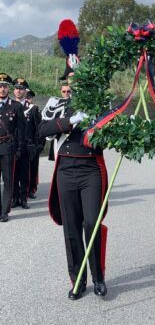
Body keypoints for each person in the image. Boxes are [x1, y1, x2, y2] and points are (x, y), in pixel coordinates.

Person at [39, 83, 108, 300]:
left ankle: (98, 278)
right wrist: (70, 121)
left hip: (91, 169)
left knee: (91, 223)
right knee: (71, 227)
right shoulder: (56, 104)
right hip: (66, 169)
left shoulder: (99, 103)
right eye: (69, 80)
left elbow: (108, 139)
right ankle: (78, 280)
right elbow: (43, 130)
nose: (72, 86)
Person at [0, 73, 25, 222]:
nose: (2, 89)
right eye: (0, 86)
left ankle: (4, 212)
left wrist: (19, 148)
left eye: (4, 86)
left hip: (8, 148)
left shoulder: (16, 106)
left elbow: (21, 130)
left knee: (8, 181)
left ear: (8, 88)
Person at [12, 78, 40, 209]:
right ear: (13, 90)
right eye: (17, 88)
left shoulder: (33, 109)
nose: (19, 91)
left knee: (25, 174)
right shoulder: (9, 106)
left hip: (27, 146)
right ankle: (14, 197)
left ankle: (23, 199)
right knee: (12, 173)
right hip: (11, 146)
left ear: (25, 91)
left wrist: (38, 145)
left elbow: (38, 129)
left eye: (21, 89)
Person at [25, 89, 44, 199]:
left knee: (33, 168)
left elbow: (40, 128)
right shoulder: (19, 108)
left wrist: (40, 144)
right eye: (26, 97)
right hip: (23, 144)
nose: (27, 99)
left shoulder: (35, 110)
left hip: (34, 143)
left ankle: (31, 189)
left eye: (29, 97)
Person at [48, 84, 72, 161]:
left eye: (68, 91)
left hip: (71, 137)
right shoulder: (56, 104)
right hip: (58, 136)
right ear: (61, 92)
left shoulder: (75, 105)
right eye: (64, 91)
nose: (66, 93)